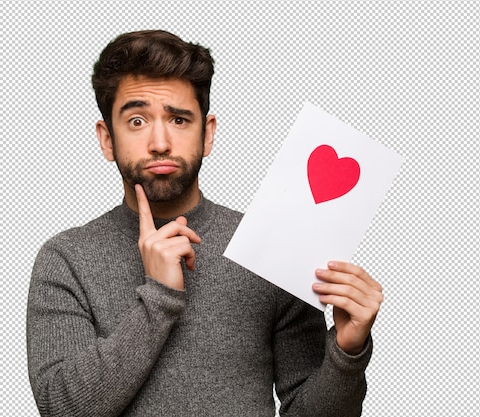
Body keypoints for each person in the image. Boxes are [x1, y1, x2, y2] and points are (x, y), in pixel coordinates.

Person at [26, 30, 383, 416]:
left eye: (179, 120)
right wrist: (159, 298)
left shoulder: (272, 246)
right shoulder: (66, 259)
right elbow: (62, 409)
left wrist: (348, 351)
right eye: (137, 120)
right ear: (106, 139)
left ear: (207, 133)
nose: (160, 142)